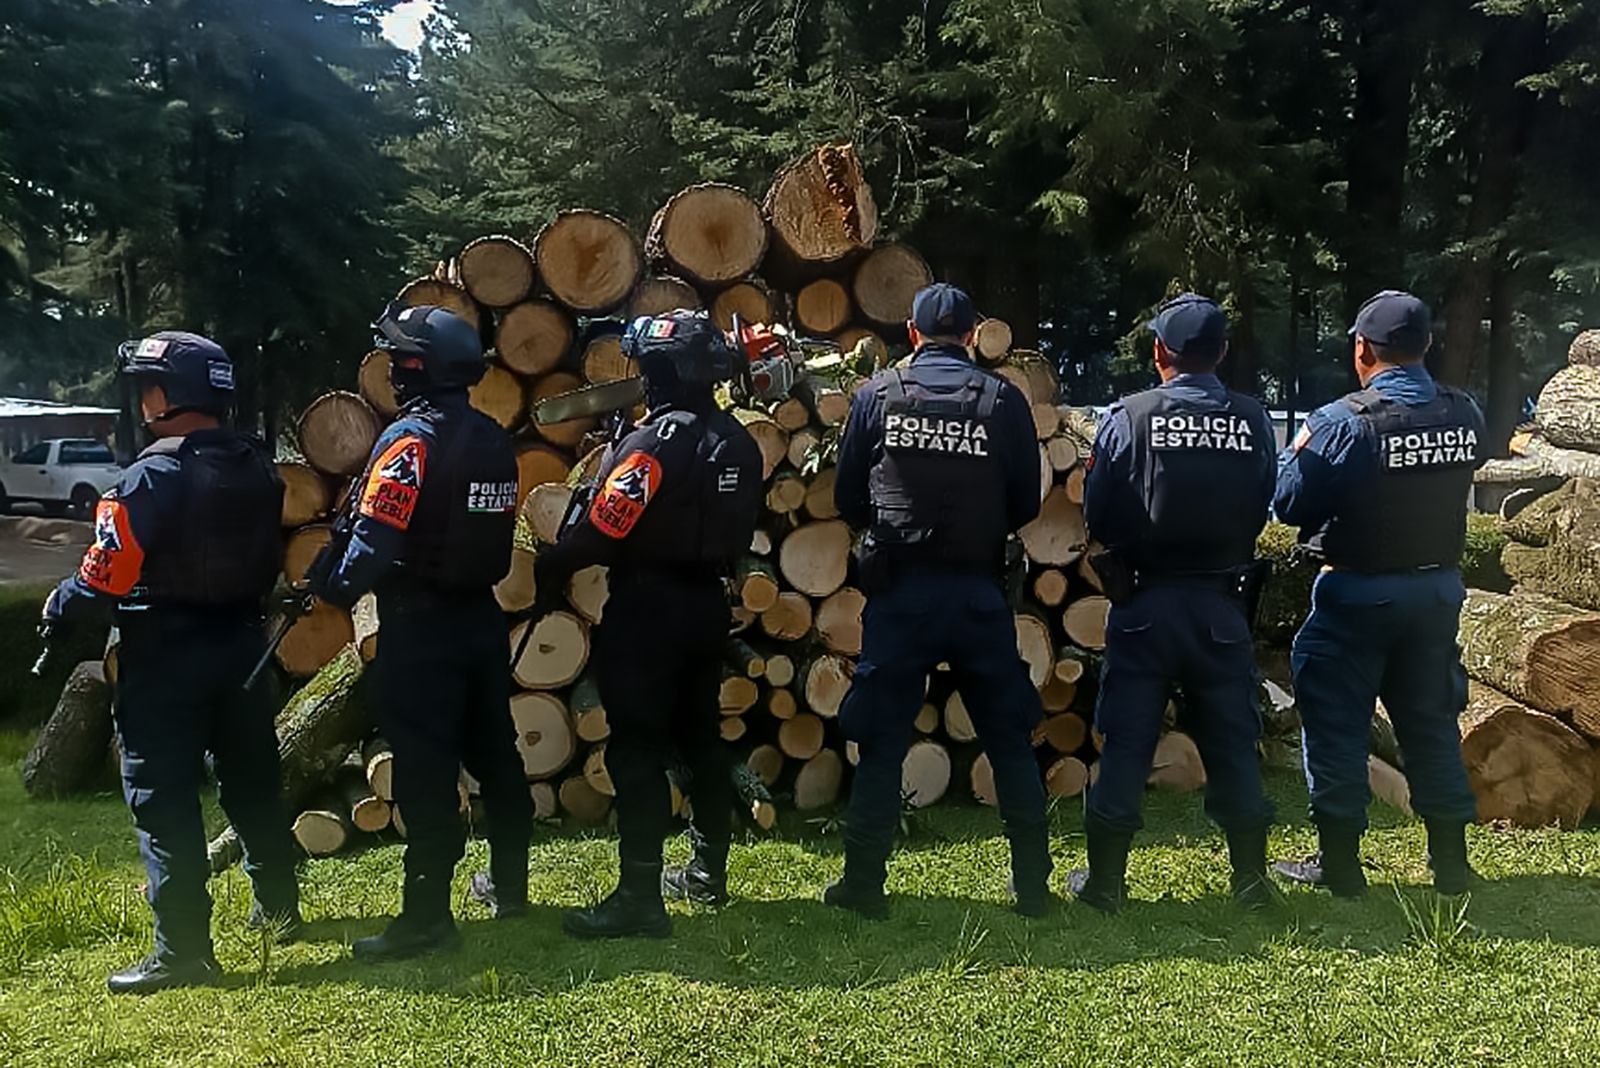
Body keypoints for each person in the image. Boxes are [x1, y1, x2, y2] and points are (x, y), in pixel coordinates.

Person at [42, 332, 299, 994]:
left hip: (164, 654)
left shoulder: (149, 477)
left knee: (163, 798)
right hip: (243, 646)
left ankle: (182, 949)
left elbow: (105, 576)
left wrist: (59, 602)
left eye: (147, 386)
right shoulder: (257, 465)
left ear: (166, 395)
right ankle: (279, 904)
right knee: (251, 781)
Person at [309, 303, 531, 959]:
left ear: (417, 368)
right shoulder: (494, 438)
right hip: (480, 621)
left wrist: (334, 585)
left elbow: (376, 537)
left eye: (400, 357)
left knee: (425, 771)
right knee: (498, 752)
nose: (393, 367)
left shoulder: (409, 442)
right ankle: (511, 886)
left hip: (419, 624)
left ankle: (427, 915)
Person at [828, 283, 1052, 918]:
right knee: (1007, 736)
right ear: (973, 333)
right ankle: (1032, 887)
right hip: (978, 594)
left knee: (882, 738)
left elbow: (848, 498)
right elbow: (1026, 504)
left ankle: (864, 885)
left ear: (913, 332)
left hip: (900, 594)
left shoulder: (878, 396)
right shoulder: (1003, 399)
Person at [536, 310, 763, 939]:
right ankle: (708, 872)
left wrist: (553, 565)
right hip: (707, 607)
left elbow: (603, 530)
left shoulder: (651, 445)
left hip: (647, 609)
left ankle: (639, 894)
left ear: (662, 371)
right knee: (699, 739)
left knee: (635, 749)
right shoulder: (739, 442)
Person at [1273, 290, 1484, 897]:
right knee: (1431, 724)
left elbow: (1289, 503)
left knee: (1336, 725)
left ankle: (1339, 866)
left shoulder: (1341, 422)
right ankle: (1451, 865)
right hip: (1436, 595)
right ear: (1425, 347)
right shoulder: (1462, 411)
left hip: (1355, 595)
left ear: (1362, 349)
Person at [1071, 294, 1278, 912]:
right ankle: (1250, 881)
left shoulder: (1127, 417)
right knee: (1233, 741)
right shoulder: (1255, 418)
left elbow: (1098, 511)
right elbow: (1265, 497)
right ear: (1219, 353)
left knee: (1128, 742)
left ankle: (1105, 882)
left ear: (1160, 351)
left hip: (1145, 604)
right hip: (1221, 605)